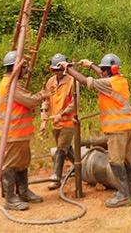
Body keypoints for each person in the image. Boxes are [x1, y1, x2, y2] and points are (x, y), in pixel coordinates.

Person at [58, 53, 131, 208]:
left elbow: (84, 81)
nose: (102, 71)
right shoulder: (120, 80)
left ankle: (123, 195)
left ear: (111, 70)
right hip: (126, 128)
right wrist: (91, 64)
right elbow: (102, 75)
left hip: (116, 130)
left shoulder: (108, 83)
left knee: (115, 161)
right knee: (127, 160)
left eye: (104, 69)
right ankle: (129, 190)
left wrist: (69, 69)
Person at [0, 50, 53, 211]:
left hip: (20, 134)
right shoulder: (10, 86)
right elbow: (29, 101)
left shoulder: (11, 84)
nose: (25, 70)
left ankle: (23, 191)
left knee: (22, 163)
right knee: (10, 165)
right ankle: (10, 198)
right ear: (17, 67)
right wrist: (43, 94)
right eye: (23, 67)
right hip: (13, 133)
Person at [39, 53, 77, 190]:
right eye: (56, 70)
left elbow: (75, 102)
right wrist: (43, 121)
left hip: (68, 122)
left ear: (65, 68)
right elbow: (46, 101)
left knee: (60, 150)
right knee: (67, 149)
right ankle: (80, 167)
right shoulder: (50, 82)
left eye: (60, 69)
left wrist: (63, 113)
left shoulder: (73, 81)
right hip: (55, 123)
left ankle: (56, 177)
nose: (58, 72)